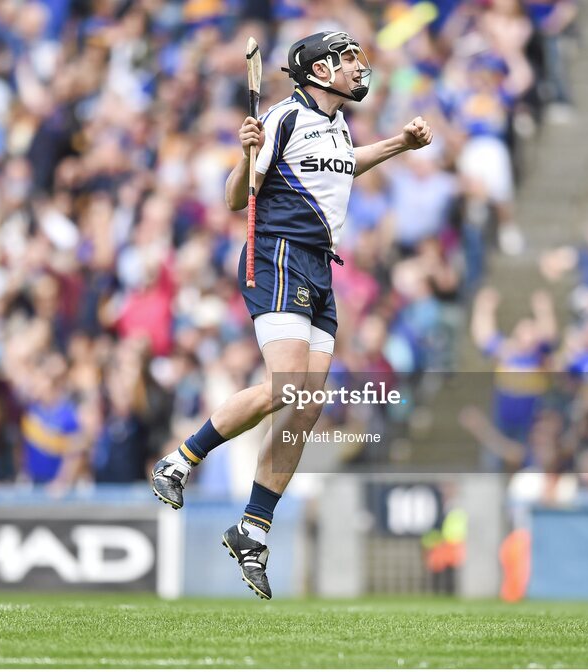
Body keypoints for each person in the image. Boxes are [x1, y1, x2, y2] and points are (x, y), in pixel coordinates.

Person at [150, 30, 433, 599]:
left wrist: (399, 143)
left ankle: (253, 526)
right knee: (285, 387)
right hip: (276, 253)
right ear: (319, 70)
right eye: (346, 58)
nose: (358, 66)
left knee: (305, 405)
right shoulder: (282, 117)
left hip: (322, 266)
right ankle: (179, 462)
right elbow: (236, 198)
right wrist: (245, 154)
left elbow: (344, 165)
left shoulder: (336, 124)